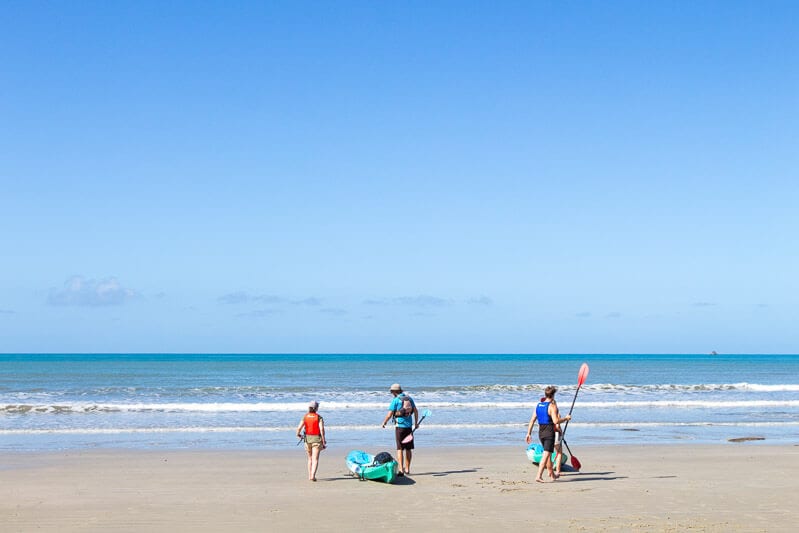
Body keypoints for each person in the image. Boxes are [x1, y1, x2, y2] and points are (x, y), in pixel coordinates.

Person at [525, 386, 570, 482]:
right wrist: (566, 418)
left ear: (545, 394)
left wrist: (528, 433)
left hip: (541, 432)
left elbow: (532, 420)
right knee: (546, 455)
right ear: (553, 395)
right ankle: (539, 475)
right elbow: (555, 421)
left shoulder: (538, 405)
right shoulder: (552, 406)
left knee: (548, 455)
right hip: (549, 432)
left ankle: (552, 475)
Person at [381, 383, 419, 477]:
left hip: (400, 427)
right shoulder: (409, 398)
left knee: (400, 448)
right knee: (408, 449)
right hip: (409, 427)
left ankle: (401, 470)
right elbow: (416, 411)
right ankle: (408, 469)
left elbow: (390, 414)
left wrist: (384, 422)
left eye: (391, 392)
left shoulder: (395, 400)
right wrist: (416, 423)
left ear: (394, 392)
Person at [296, 400, 326, 481]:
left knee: (309, 458)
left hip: (307, 440)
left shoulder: (305, 416)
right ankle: (313, 475)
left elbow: (299, 428)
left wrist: (298, 434)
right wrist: (323, 440)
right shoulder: (319, 417)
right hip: (316, 439)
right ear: (316, 408)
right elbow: (322, 429)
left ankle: (309, 476)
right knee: (315, 459)